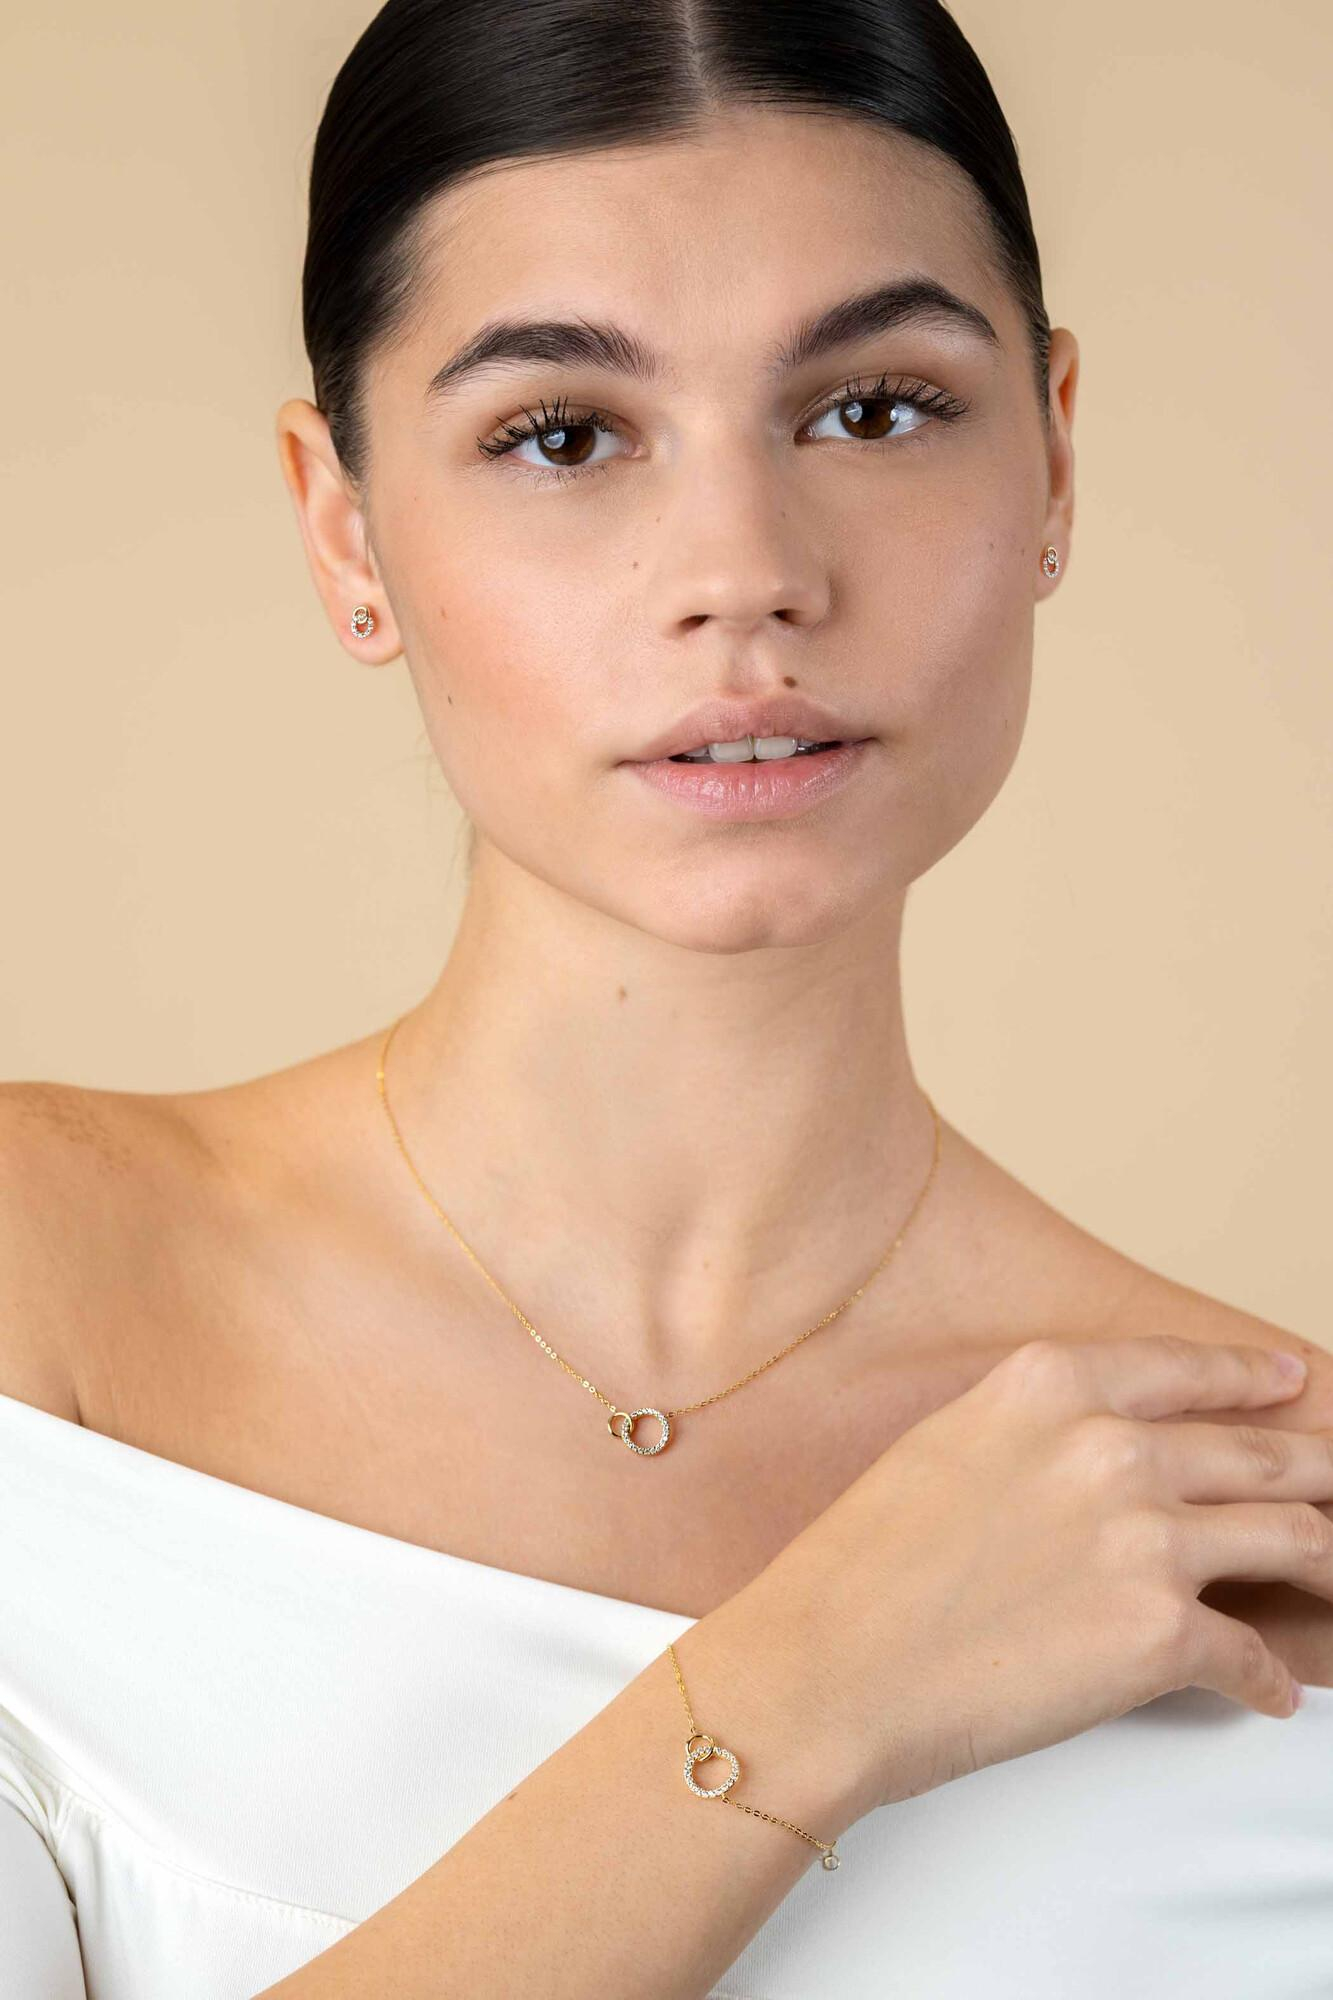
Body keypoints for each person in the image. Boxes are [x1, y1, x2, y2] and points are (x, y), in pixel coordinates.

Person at [3, 1, 1331, 1995]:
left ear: (1054, 457)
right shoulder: (45, 1301)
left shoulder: (1255, 1518)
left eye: (872, 410)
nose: (745, 571)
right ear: (343, 526)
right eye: (562, 435)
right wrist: (816, 1680)